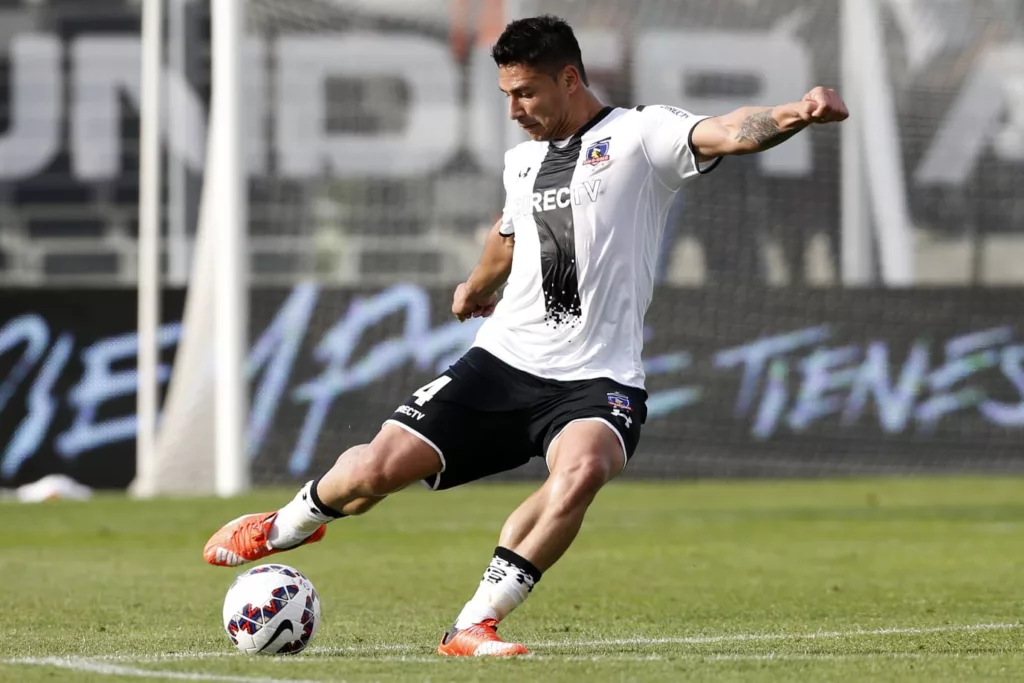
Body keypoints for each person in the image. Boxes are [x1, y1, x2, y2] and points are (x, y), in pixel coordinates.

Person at [203, 14, 849, 657]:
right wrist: (475, 285)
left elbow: (730, 131)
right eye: (506, 95)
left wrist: (798, 112)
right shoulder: (523, 163)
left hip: (598, 380)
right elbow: (507, 233)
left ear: (569, 78)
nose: (513, 109)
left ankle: (473, 624)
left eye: (525, 93)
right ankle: (287, 524)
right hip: (504, 362)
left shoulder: (641, 135)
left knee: (585, 466)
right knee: (374, 471)